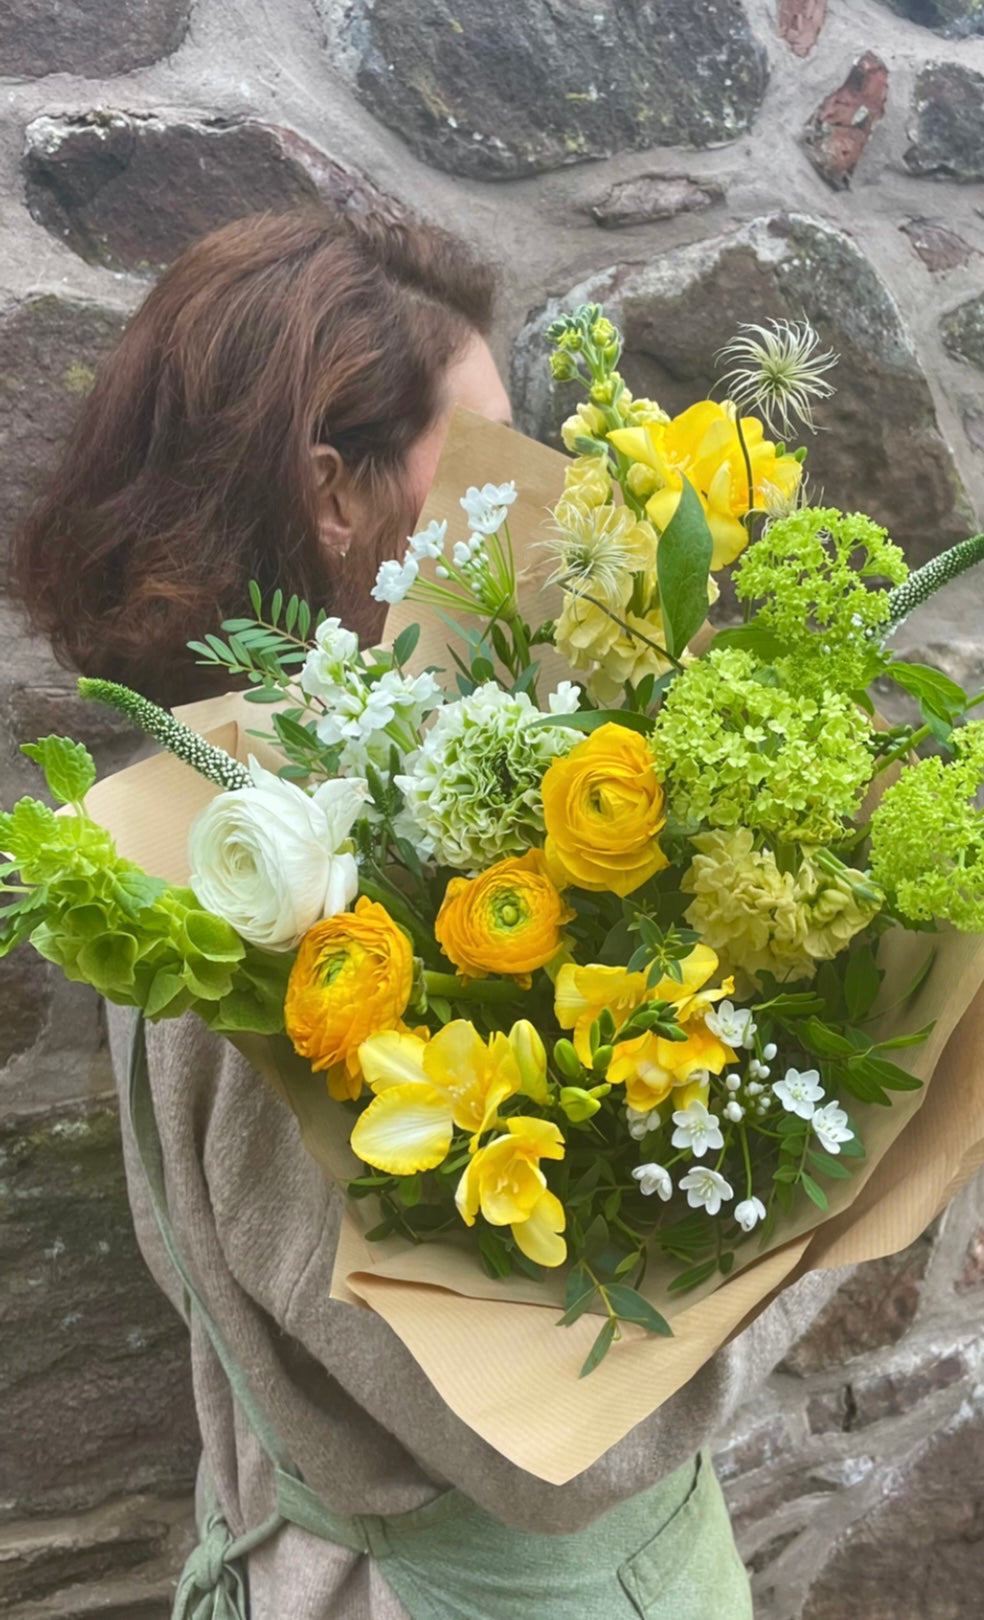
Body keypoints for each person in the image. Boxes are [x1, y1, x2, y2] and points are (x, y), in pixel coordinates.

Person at [12, 207, 844, 1620]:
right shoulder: (286, 900)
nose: (532, 502)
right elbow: (565, 1449)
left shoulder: (239, 821)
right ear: (332, 495)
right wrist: (835, 1213)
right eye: (487, 454)